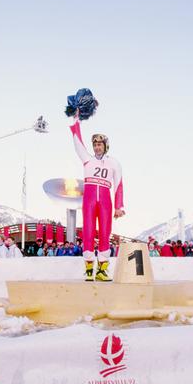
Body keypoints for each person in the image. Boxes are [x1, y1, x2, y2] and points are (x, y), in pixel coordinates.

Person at [69, 114, 125, 281]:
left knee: (105, 233)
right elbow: (77, 142)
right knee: (88, 231)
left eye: (100, 144)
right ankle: (88, 269)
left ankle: (102, 270)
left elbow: (119, 184)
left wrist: (119, 207)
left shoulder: (114, 163)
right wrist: (76, 120)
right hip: (89, 200)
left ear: (105, 146)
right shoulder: (87, 159)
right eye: (94, 144)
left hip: (106, 201)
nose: (97, 147)